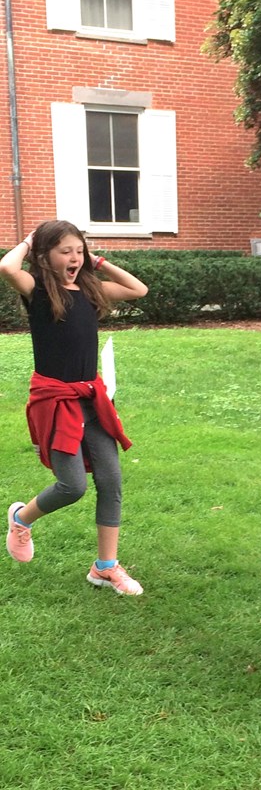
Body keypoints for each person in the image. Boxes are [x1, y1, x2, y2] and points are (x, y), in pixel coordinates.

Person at [0, 220, 148, 595]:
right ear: (45, 257)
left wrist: (97, 262)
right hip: (55, 401)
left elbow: (138, 289)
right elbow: (7, 267)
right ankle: (20, 517)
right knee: (72, 486)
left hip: (91, 398)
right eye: (65, 251)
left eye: (78, 250)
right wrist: (29, 241)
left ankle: (104, 567)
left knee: (111, 481)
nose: (74, 257)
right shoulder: (37, 292)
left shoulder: (90, 290)